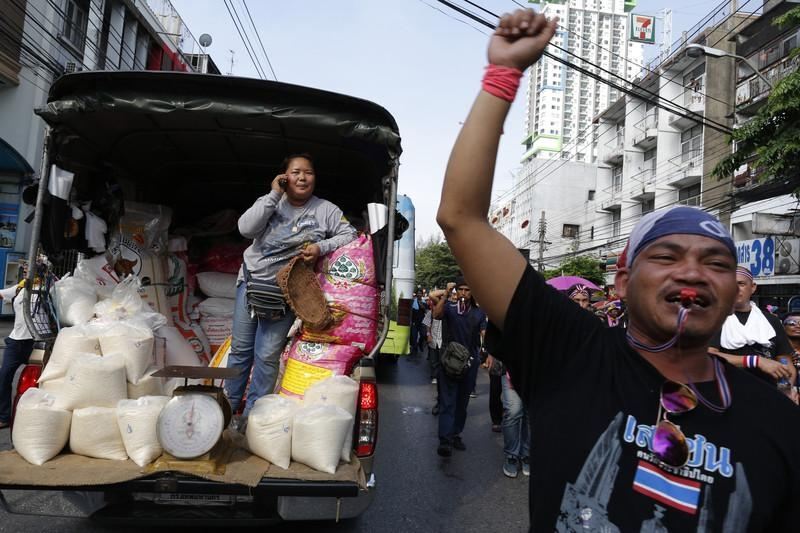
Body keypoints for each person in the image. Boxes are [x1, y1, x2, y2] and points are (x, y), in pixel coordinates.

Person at [436, 8, 800, 530]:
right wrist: (503, 75)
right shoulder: (571, 353)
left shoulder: (779, 426)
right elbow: (461, 218)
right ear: (623, 282)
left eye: (716, 262)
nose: (693, 272)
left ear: (734, 286)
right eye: (667, 256)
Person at [226, 153, 356, 417]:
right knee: (240, 350)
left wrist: (321, 247)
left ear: (314, 178)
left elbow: (349, 233)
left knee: (266, 355)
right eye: (295, 172)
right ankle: (227, 408)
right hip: (251, 283)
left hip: (288, 291)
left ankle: (254, 415)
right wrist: (273, 194)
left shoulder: (326, 210)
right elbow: (245, 229)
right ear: (284, 176)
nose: (302, 177)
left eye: (308, 172)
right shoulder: (271, 202)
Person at [708, 266, 796, 388]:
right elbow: (709, 357)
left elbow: (784, 360)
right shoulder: (714, 319)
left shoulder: (771, 321)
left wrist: (788, 388)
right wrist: (755, 361)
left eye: (741, 284)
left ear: (753, 287)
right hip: (728, 394)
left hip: (768, 394)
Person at [430, 276, 486, 457]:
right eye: (460, 289)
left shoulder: (478, 313)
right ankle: (444, 440)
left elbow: (484, 335)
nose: (463, 293)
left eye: (467, 290)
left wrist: (486, 354)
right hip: (449, 361)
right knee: (448, 401)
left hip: (469, 363)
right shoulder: (450, 308)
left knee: (462, 403)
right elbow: (436, 315)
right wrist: (446, 293)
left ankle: (455, 434)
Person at [0, 280, 35, 429]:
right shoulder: (21, 287)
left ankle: (33, 415)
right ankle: (4, 416)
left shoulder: (51, 288)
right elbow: (2, 294)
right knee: (4, 377)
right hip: (16, 342)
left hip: (36, 341)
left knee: (39, 381)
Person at [500, 369, 529, 478]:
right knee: (513, 410)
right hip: (511, 366)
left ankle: (526, 454)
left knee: (530, 413)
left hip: (536, 368)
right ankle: (511, 455)